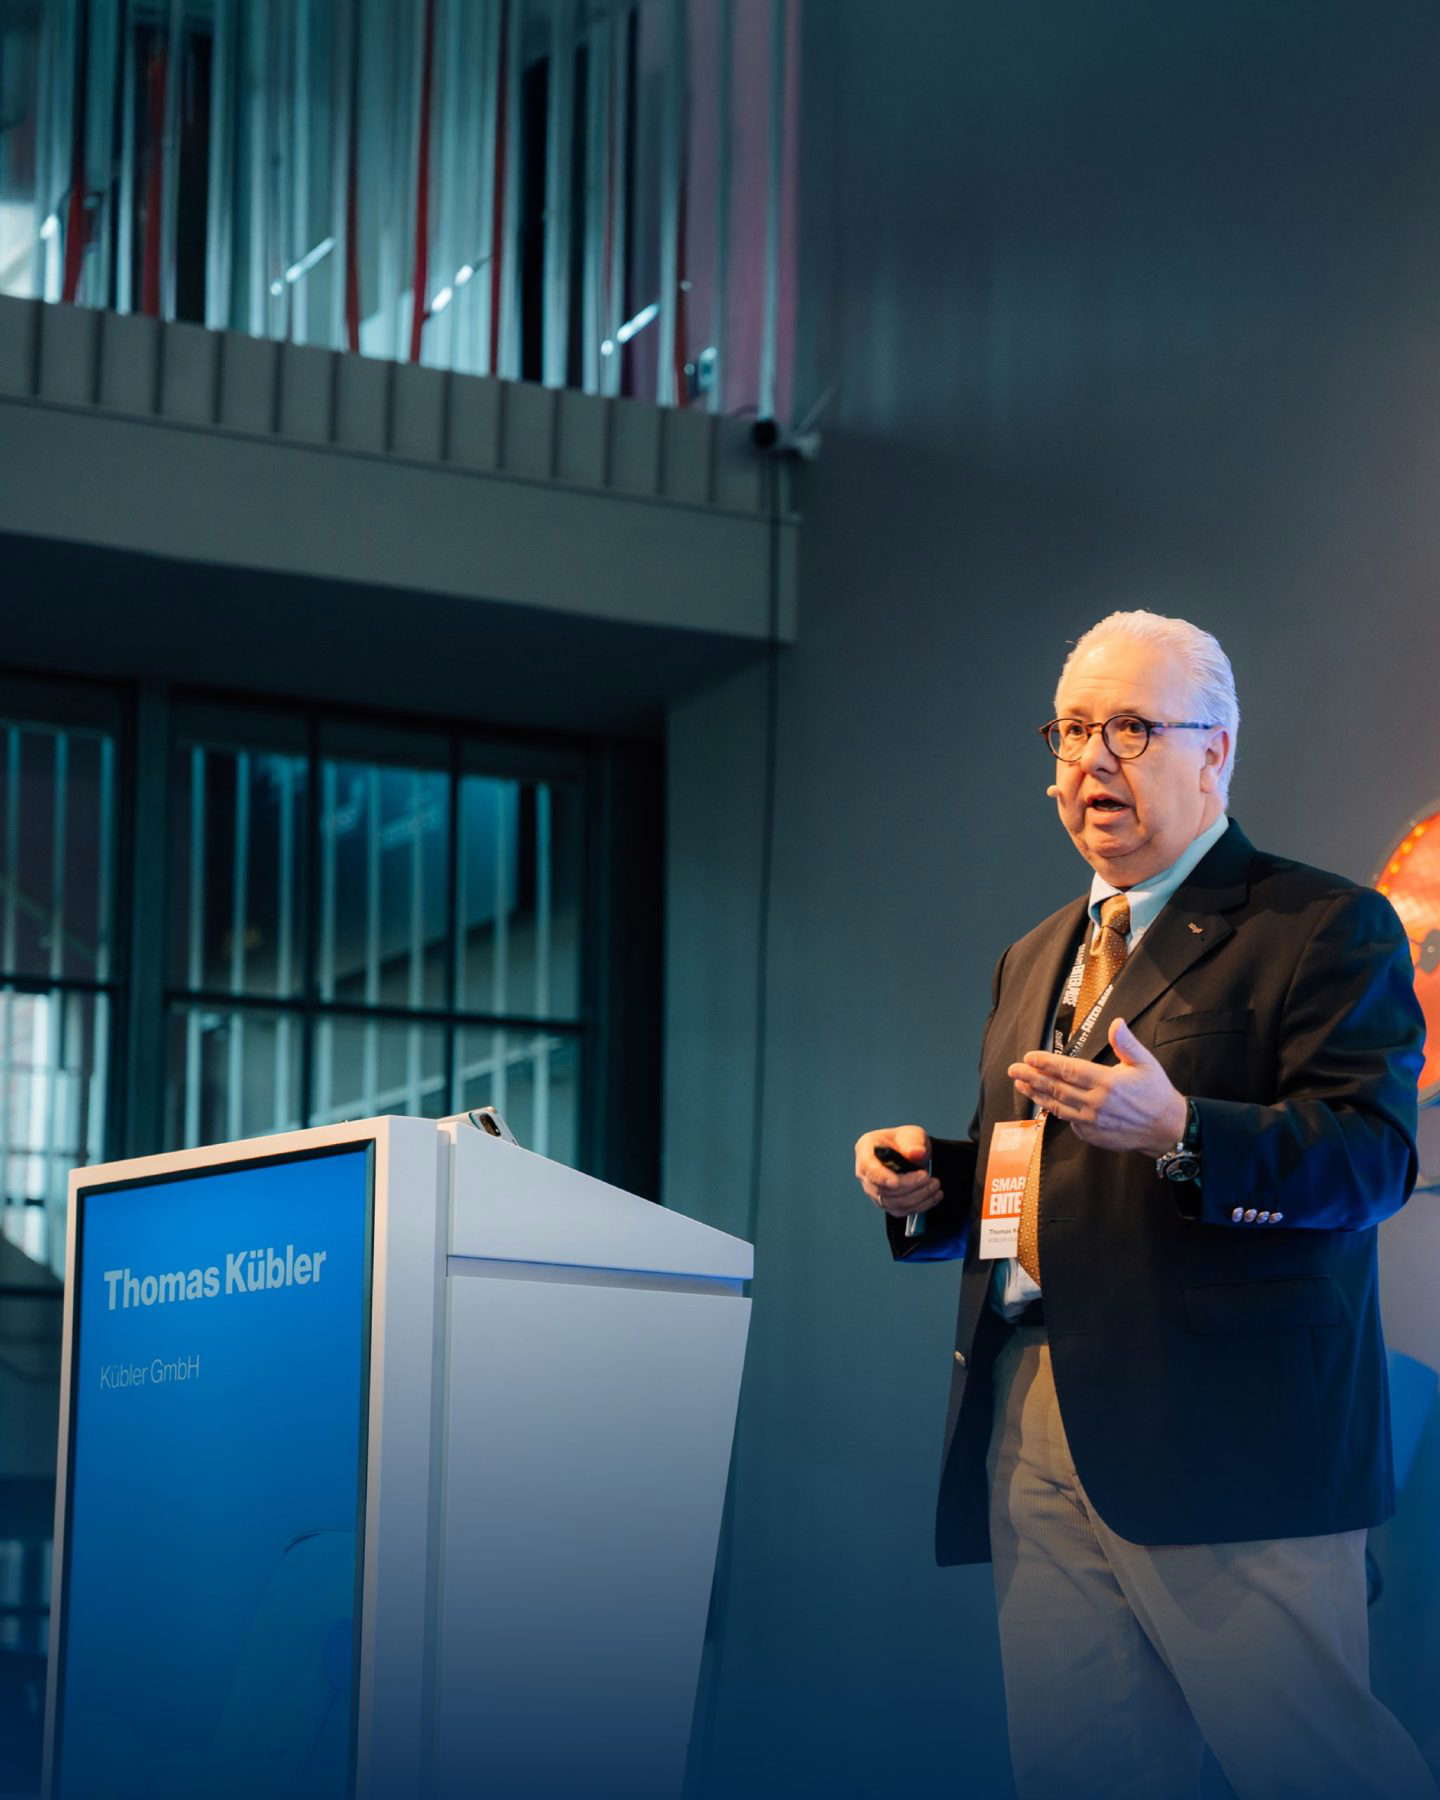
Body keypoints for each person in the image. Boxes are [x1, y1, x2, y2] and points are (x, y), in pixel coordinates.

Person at [854, 610, 1436, 1800]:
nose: (1089, 763)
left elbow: (1372, 1161)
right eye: (1070, 730)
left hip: (1230, 1429)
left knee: (1312, 1763)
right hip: (1030, 1414)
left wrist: (1184, 1130)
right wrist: (940, 1183)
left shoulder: (1319, 928)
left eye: (1129, 727)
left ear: (1215, 750)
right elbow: (1047, 1163)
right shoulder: (1037, 953)